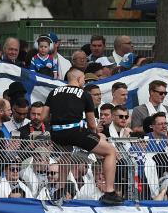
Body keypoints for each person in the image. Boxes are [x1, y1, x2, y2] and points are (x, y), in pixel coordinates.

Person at [44, 69, 123, 204]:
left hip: (56, 133)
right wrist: (97, 136)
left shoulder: (54, 92)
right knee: (110, 151)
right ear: (80, 79)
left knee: (66, 155)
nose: (84, 83)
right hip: (75, 131)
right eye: (84, 80)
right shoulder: (84, 94)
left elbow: (44, 116)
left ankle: (60, 189)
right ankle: (110, 192)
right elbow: (92, 124)